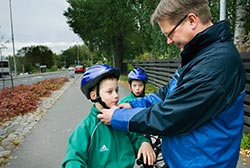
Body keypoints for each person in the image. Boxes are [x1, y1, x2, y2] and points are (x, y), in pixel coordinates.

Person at [97, 0, 246, 167]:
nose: (169, 41)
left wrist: (119, 117)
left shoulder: (216, 64)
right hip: (184, 160)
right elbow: (169, 93)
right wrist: (135, 104)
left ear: (191, 20)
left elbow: (172, 116)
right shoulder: (199, 55)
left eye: (169, 34)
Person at [61, 64, 156, 168]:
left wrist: (143, 143)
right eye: (110, 92)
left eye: (117, 90)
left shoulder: (121, 120)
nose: (116, 95)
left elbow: (135, 137)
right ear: (94, 96)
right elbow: (73, 159)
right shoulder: (86, 128)